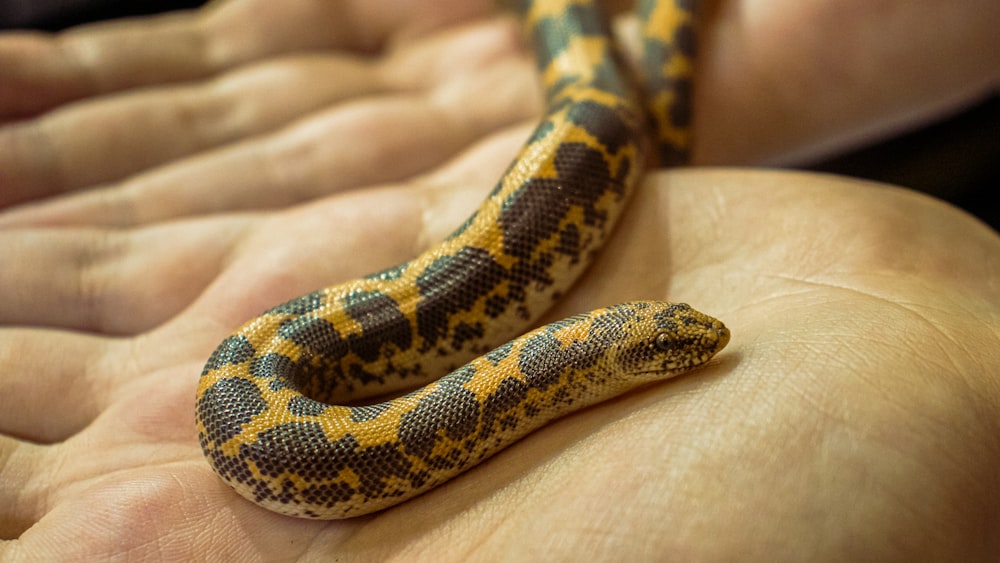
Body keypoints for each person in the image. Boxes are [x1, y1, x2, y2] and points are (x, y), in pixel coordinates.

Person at [1, 0, 998, 559]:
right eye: (662, 344)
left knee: (602, 110)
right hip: (276, 385)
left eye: (665, 340)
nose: (689, 348)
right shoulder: (469, 382)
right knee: (602, 111)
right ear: (594, 362)